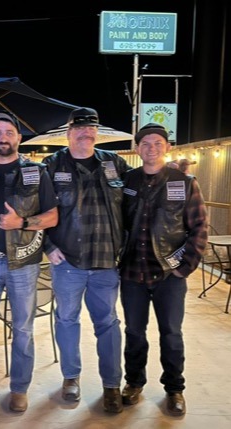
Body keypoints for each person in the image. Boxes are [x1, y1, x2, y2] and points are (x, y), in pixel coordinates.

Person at [0, 112, 59, 425]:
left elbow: (53, 216)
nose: (3, 137)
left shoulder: (37, 171)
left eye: (9, 132)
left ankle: (19, 388)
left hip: (24, 264)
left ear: (18, 138)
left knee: (23, 330)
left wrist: (22, 223)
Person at [42, 107, 132, 413]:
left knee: (108, 323)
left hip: (106, 262)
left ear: (96, 133)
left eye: (91, 127)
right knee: (67, 320)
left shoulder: (115, 163)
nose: (85, 132)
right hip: (67, 263)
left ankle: (111, 384)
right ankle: (71, 377)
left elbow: (133, 206)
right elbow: (35, 208)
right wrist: (47, 245)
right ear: (68, 133)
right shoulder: (51, 165)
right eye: (79, 128)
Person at [119, 123, 208, 416]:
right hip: (132, 273)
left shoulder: (185, 182)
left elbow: (199, 227)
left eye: (158, 143)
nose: (152, 148)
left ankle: (174, 388)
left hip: (169, 275)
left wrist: (185, 267)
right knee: (134, 332)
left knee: (171, 333)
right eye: (145, 143)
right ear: (137, 149)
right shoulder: (127, 180)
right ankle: (134, 382)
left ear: (167, 147)